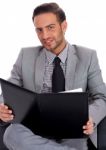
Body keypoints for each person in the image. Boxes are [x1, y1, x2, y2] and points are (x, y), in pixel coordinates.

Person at [0, 2, 106, 150]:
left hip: (72, 126)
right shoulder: (26, 55)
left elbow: (102, 96)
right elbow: (9, 91)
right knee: (11, 134)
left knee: (76, 140)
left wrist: (91, 118)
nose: (45, 36)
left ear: (64, 26)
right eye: (39, 30)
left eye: (50, 28)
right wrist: (2, 106)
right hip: (35, 127)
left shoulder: (87, 56)